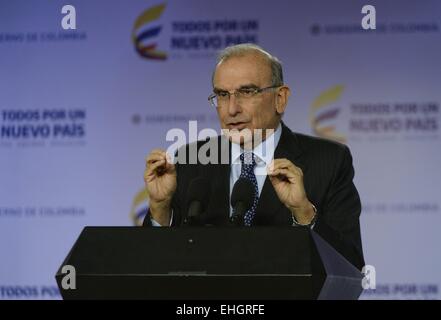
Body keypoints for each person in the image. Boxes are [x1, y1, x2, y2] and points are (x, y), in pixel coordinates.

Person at [143, 43, 364, 270]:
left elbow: (350, 269)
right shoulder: (190, 159)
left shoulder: (329, 161)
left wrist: (304, 213)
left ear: (280, 98)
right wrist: (160, 209)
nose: (231, 110)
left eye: (246, 92)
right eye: (222, 95)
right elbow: (153, 269)